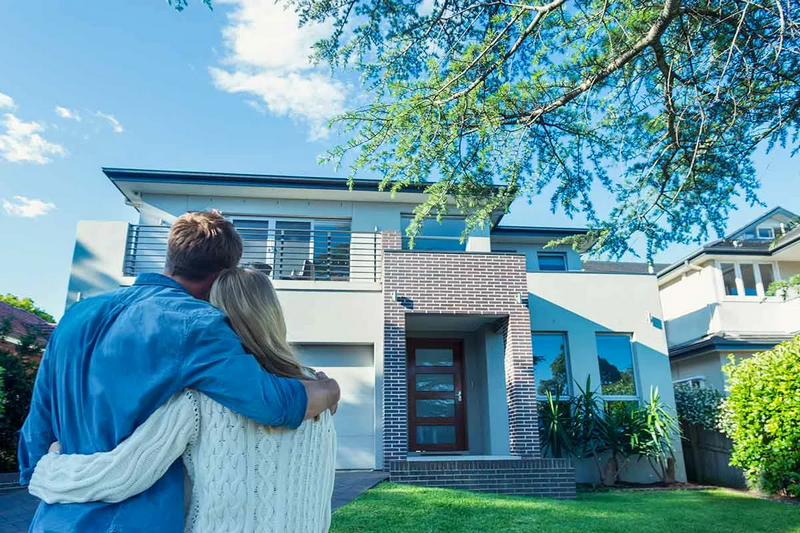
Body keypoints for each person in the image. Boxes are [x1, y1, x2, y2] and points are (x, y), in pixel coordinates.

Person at [18, 211, 340, 532]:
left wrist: (51, 478)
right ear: (222, 276)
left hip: (52, 519)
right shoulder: (197, 323)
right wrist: (328, 390)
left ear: (171, 254)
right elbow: (271, 403)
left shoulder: (75, 317)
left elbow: (35, 435)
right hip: (133, 522)